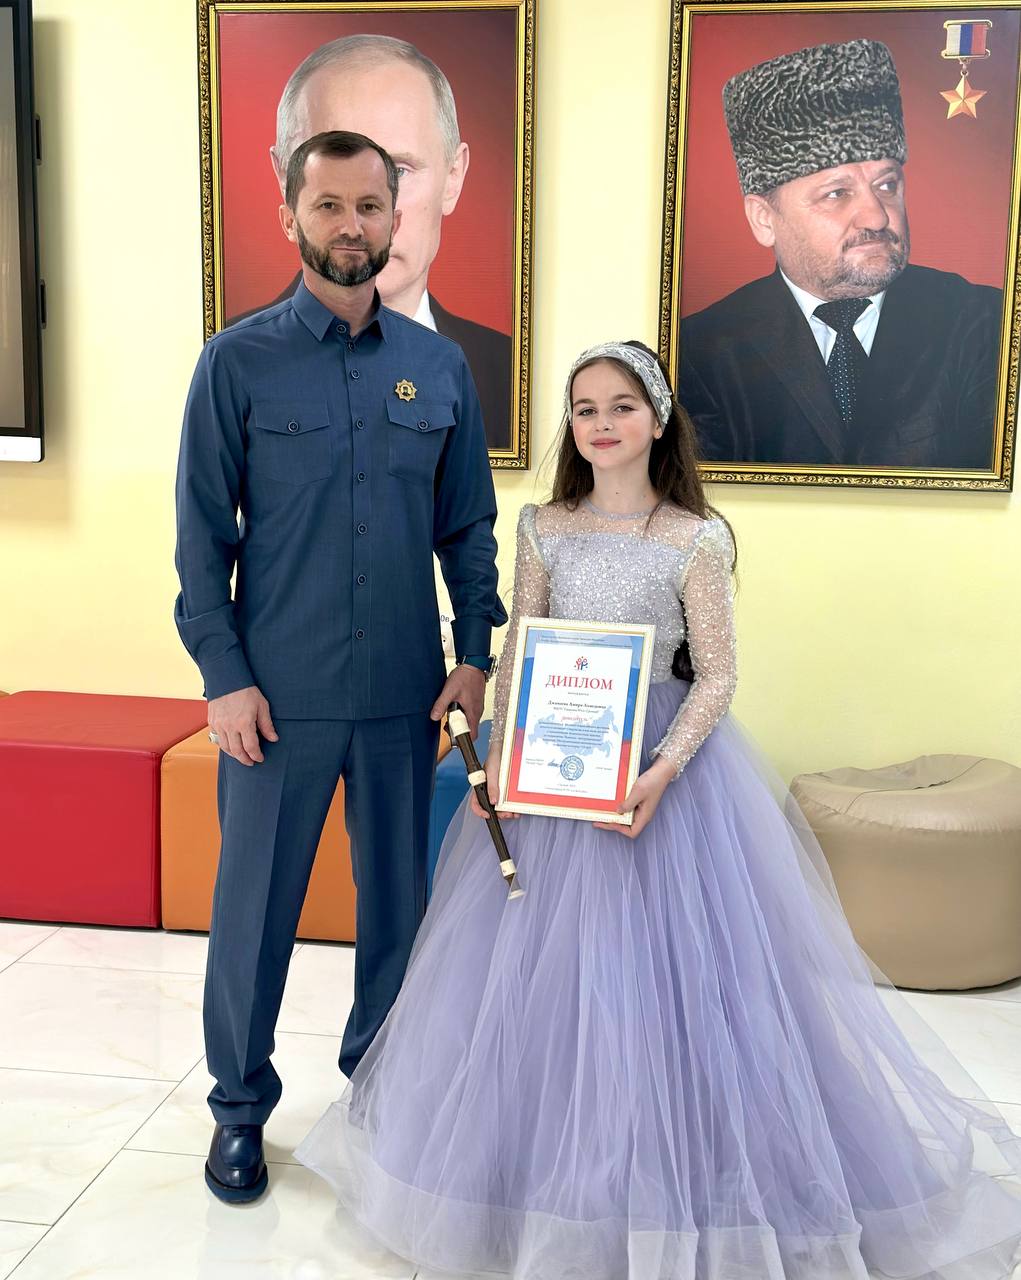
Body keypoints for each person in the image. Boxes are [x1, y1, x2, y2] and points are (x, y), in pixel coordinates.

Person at [297, 339, 1021, 1278]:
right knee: (537, 978)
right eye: (584, 409)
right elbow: (522, 652)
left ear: (658, 418)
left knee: (679, 987)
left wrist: (663, 770)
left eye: (621, 406)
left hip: (659, 777)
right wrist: (502, 760)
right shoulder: (543, 527)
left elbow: (716, 675)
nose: (601, 424)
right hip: (557, 771)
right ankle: (531, 1179)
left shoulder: (693, 536)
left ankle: (694, 1170)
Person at [173, 129, 505, 1205]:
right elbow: (200, 541)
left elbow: (467, 529)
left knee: (399, 911)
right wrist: (224, 677)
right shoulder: (237, 362)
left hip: (405, 695)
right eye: (329, 205)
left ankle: (383, 1095)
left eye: (370, 205)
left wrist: (472, 655)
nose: (351, 225)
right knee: (253, 914)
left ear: (396, 217)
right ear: (290, 216)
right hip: (277, 699)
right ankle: (238, 1110)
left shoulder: (438, 367)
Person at [680, 38, 1002, 471]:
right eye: (836, 193)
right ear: (764, 219)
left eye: (887, 185)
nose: (877, 216)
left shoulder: (981, 320)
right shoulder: (700, 353)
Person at [229, 33, 513, 452]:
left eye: (397, 171)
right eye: (332, 174)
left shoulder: (489, 367)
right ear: (284, 179)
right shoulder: (233, 360)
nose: (358, 225)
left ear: (453, 177)